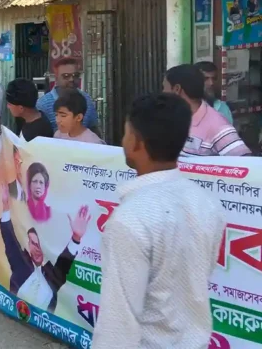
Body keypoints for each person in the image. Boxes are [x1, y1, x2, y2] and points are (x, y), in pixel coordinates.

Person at [93, 93, 225, 348]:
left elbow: (118, 323)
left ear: (137, 143)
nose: (123, 140)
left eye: (126, 133)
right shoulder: (207, 204)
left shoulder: (131, 219)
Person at [0, 200, 90, 312]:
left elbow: (64, 263)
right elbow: (10, 241)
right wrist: (5, 207)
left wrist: (76, 238)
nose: (37, 248)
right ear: (28, 244)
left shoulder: (52, 274)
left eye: (39, 244)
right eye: (33, 243)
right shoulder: (21, 265)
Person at [163, 64, 251, 156]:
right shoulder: (172, 117)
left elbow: (245, 163)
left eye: (164, 88)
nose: (163, 93)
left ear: (177, 89)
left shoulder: (217, 126)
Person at [36, 57, 99, 133]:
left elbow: (94, 128)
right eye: (66, 76)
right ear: (56, 78)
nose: (71, 79)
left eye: (75, 75)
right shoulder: (43, 104)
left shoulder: (86, 99)